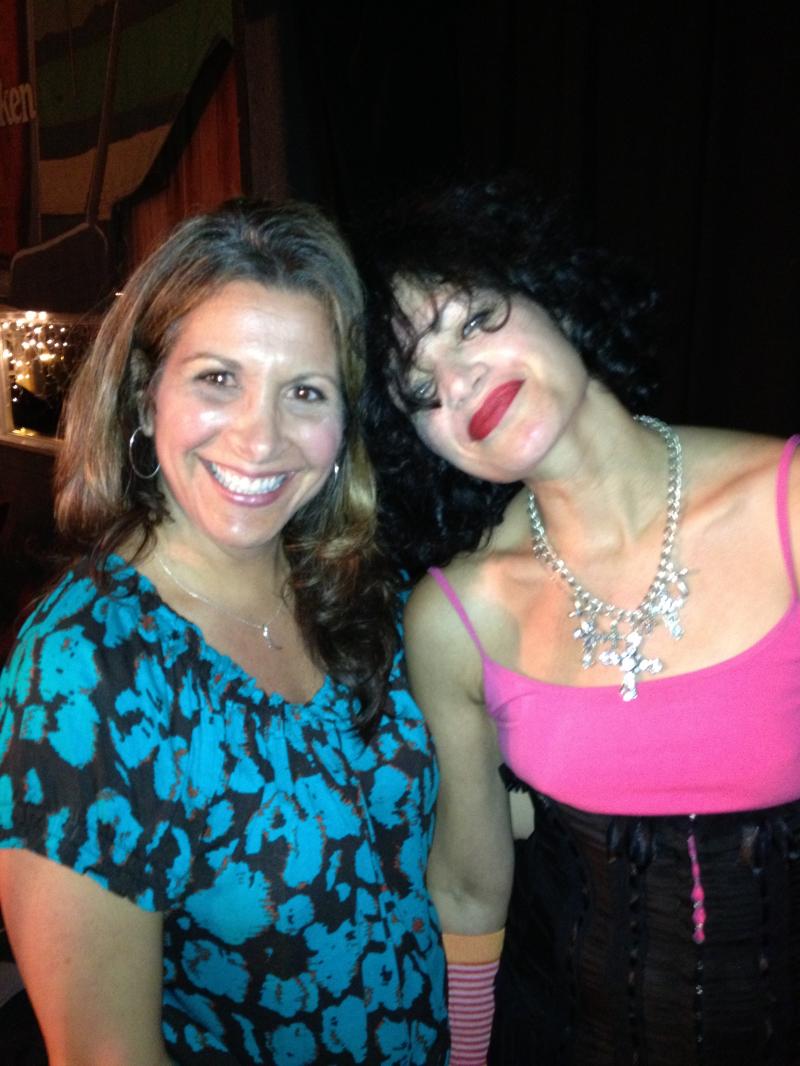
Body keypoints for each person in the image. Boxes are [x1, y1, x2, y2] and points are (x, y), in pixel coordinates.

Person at [358, 177, 800, 1066]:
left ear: (549, 293)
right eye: (418, 389)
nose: (458, 380)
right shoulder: (456, 619)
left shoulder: (789, 508)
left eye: (472, 321)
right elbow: (470, 890)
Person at [0, 199, 448, 1065]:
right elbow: (105, 1054)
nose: (259, 437)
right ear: (144, 394)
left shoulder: (357, 587)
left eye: (305, 392)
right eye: (217, 379)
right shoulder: (87, 672)